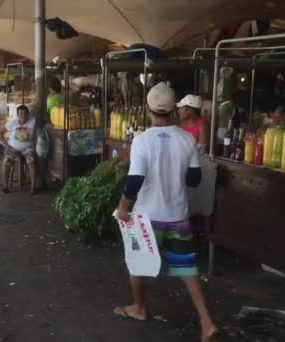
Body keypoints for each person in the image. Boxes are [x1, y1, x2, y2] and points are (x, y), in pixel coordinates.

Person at [114, 82, 216, 342]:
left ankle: (138, 307)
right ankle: (206, 321)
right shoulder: (186, 138)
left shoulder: (142, 140)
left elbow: (135, 180)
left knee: (138, 264)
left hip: (147, 219)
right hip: (178, 216)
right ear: (173, 110)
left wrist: (124, 206)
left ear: (149, 109)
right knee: (186, 268)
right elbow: (194, 180)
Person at [0, 105, 37, 195]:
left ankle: (33, 188)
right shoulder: (13, 123)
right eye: (20, 114)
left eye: (25, 113)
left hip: (28, 148)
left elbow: (45, 119)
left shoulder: (34, 121)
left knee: (31, 162)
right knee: (6, 162)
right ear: (17, 115)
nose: (22, 115)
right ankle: (6, 186)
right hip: (13, 148)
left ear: (28, 114)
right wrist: (6, 145)